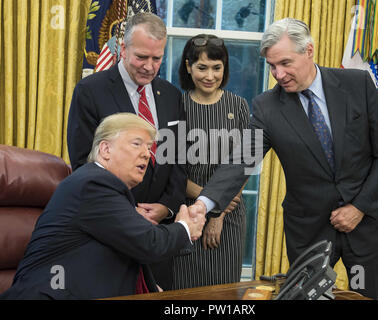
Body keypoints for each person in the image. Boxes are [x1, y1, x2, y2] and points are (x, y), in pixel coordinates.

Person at [189, 18, 378, 299]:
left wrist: (359, 207)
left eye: (286, 63)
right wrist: (203, 205)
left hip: (365, 225)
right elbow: (241, 161)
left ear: (309, 51)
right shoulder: (266, 107)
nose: (279, 73)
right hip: (310, 232)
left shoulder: (357, 84)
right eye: (272, 66)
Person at [0, 113, 205, 300]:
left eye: (149, 148)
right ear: (106, 149)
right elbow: (150, 244)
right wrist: (185, 226)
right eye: (137, 144)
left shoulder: (106, 190)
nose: (147, 154)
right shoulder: (93, 185)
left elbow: (131, 250)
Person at [67, 12, 186, 290]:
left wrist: (166, 207)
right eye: (141, 57)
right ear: (123, 49)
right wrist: (124, 209)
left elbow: (177, 159)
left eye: (157, 58)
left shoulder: (171, 95)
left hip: (158, 234)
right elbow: (84, 162)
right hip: (109, 232)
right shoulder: (90, 91)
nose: (149, 66)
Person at [171, 34, 250, 289]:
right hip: (186, 213)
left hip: (229, 217)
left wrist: (218, 213)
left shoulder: (239, 106)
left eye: (217, 68)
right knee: (184, 290)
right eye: (201, 67)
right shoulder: (175, 106)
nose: (209, 76)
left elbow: (246, 164)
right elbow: (171, 170)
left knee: (222, 291)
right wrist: (208, 207)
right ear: (188, 66)